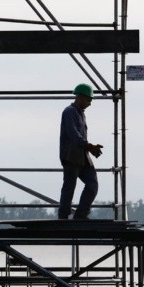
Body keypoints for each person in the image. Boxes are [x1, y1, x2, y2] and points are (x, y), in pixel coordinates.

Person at [58, 83, 103, 220]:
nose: (90, 103)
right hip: (71, 156)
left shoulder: (81, 114)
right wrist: (89, 146)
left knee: (92, 185)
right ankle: (63, 217)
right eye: (89, 100)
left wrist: (90, 149)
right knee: (69, 187)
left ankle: (80, 215)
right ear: (80, 97)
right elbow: (74, 134)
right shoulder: (69, 112)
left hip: (82, 156)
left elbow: (80, 137)